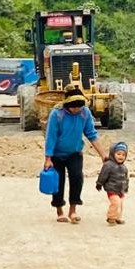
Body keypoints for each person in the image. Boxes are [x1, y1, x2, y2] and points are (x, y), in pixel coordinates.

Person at [43, 91, 105, 224]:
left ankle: (73, 210)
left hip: (74, 153)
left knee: (77, 177)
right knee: (58, 182)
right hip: (57, 155)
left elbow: (91, 134)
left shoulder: (85, 113)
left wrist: (103, 155)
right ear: (67, 105)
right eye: (74, 107)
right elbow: (51, 136)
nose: (77, 110)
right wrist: (48, 158)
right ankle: (59, 211)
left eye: (79, 107)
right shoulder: (57, 114)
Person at [96, 141, 129, 225]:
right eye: (118, 154)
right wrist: (99, 183)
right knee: (116, 202)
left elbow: (126, 178)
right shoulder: (108, 165)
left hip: (120, 190)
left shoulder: (124, 167)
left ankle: (118, 218)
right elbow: (103, 175)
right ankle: (111, 217)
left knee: (120, 204)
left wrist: (126, 187)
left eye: (123, 155)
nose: (121, 156)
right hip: (111, 189)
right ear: (113, 154)